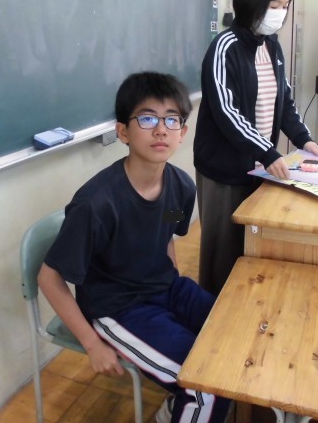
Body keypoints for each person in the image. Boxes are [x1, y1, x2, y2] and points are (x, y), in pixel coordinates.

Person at [38, 72, 231, 423]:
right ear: (123, 132)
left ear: (183, 132)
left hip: (167, 289)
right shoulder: (96, 205)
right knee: (205, 384)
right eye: (148, 118)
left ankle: (174, 411)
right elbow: (49, 278)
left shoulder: (182, 188)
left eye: (172, 119)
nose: (161, 130)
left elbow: (166, 231)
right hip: (119, 308)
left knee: (237, 338)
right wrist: (93, 344)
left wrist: (174, 293)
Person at [193, 0, 318, 296]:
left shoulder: (272, 46)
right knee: (222, 253)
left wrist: (304, 139)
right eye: (275, 5)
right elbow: (227, 112)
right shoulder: (224, 47)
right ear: (253, 2)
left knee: (253, 245)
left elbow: (284, 100)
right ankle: (214, 312)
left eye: (285, 6)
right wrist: (267, 152)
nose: (281, 12)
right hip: (224, 169)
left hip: (260, 167)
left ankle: (245, 307)